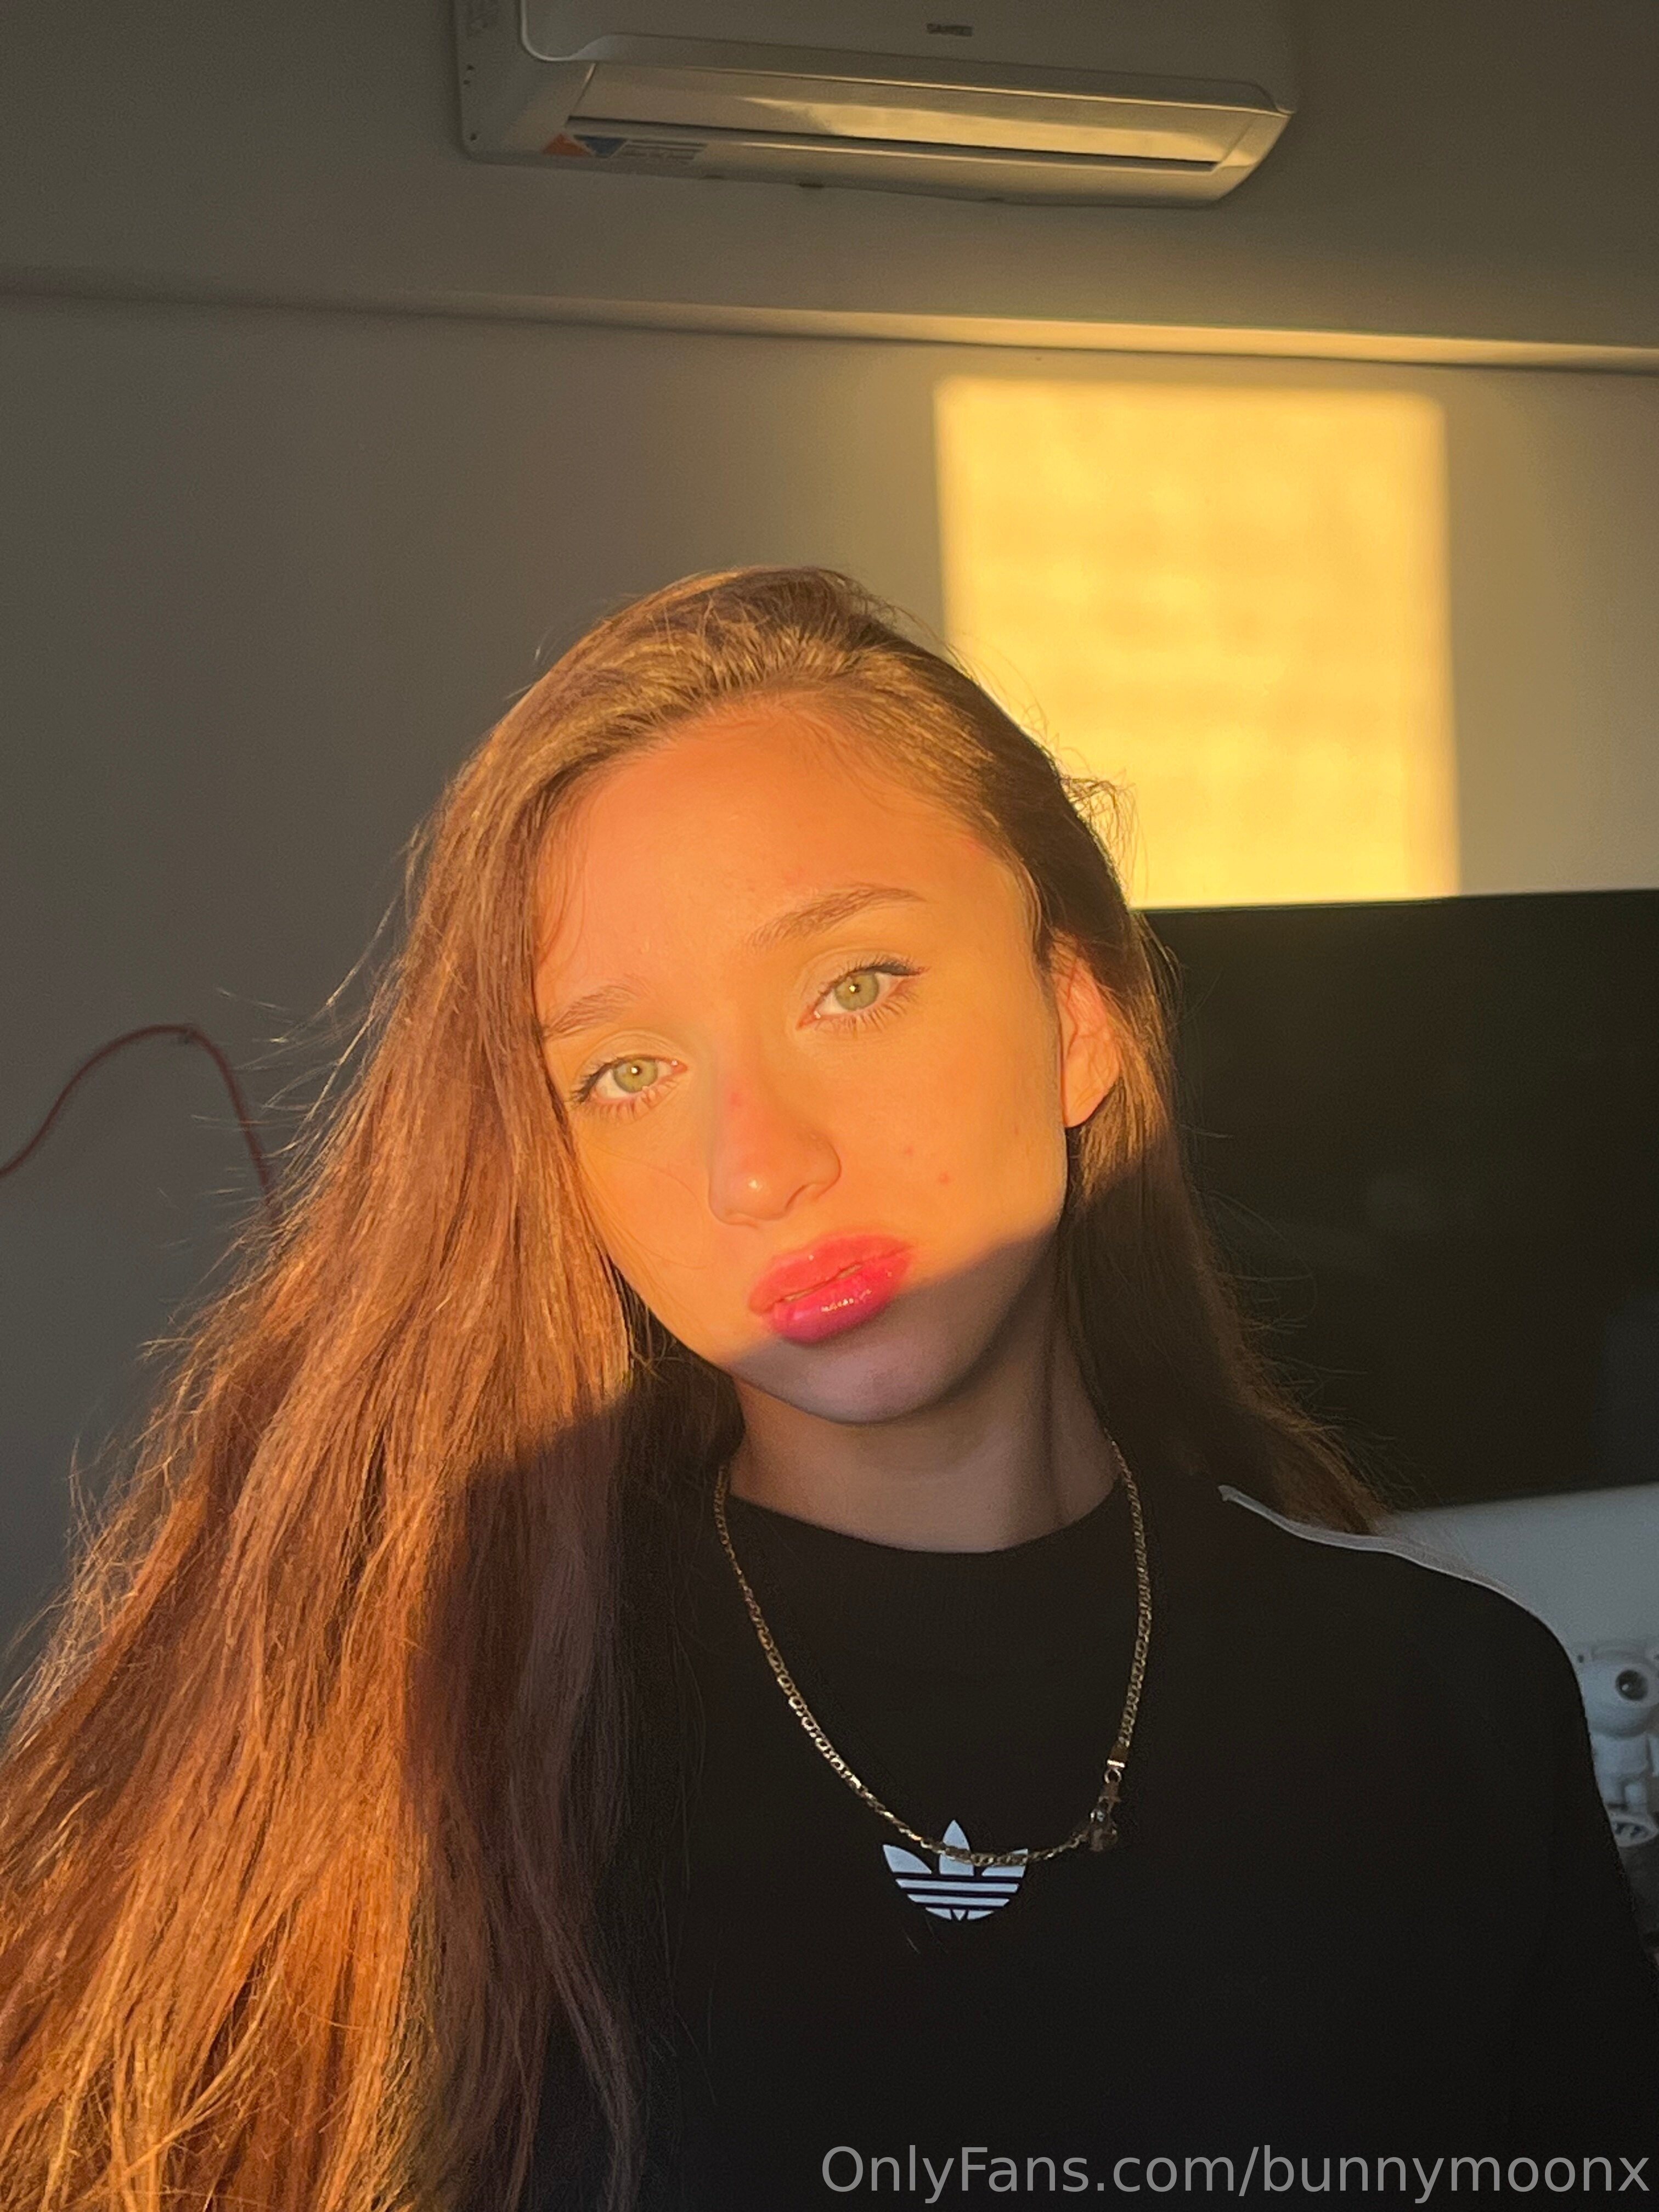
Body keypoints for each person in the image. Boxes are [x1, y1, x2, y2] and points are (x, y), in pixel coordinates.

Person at [0, 568, 1652, 2212]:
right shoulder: (412, 1756)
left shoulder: (1451, 1709)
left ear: (1076, 1018)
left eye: (854, 987)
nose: (758, 1167)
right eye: (627, 1072)